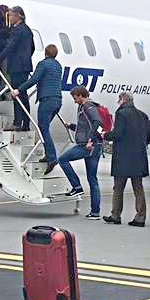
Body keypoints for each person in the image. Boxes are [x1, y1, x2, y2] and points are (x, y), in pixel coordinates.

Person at [12, 44, 63, 172]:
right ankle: (48, 154)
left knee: (43, 129)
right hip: (58, 101)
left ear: (45, 53)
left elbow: (34, 79)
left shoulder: (43, 64)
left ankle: (52, 157)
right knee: (44, 128)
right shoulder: (58, 66)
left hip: (47, 100)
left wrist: (19, 90)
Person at [104, 92, 150, 227]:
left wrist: (106, 135)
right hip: (139, 157)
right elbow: (148, 136)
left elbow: (118, 134)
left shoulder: (121, 114)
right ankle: (140, 217)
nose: (118, 102)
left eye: (119, 100)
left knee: (118, 187)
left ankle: (115, 215)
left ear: (123, 100)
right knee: (138, 188)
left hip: (123, 157)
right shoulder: (143, 116)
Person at [58, 85, 104, 220]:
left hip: (87, 146)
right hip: (95, 146)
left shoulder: (87, 106)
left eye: (75, 97)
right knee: (92, 179)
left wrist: (91, 139)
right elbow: (87, 126)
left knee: (62, 159)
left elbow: (97, 122)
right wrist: (72, 126)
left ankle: (77, 187)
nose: (74, 100)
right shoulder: (86, 107)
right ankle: (95, 213)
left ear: (80, 95)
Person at [0, 5, 34, 131]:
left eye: (11, 16)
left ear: (17, 16)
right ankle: (25, 124)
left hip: (16, 66)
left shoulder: (17, 30)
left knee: (17, 95)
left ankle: (17, 122)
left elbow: (10, 47)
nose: (10, 18)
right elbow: (32, 48)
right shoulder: (27, 30)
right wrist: (25, 58)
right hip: (25, 66)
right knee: (23, 95)